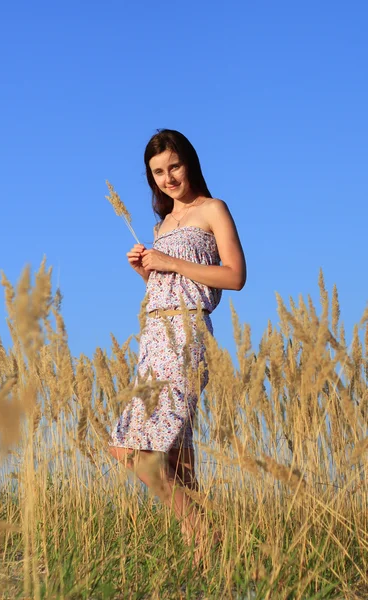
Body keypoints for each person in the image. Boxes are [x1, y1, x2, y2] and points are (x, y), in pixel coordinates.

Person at [108, 129, 246, 563]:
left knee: (129, 449)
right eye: (157, 172)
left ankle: (203, 530)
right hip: (154, 337)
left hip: (187, 335)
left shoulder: (212, 209)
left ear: (189, 163)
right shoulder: (161, 224)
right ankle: (207, 559)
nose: (168, 178)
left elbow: (234, 276)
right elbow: (172, 284)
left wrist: (167, 260)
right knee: (178, 458)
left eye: (174, 167)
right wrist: (147, 272)